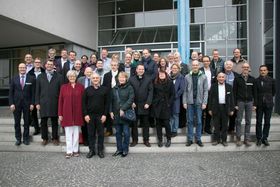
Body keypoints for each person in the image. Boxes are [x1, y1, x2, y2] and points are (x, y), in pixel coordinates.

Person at [35, 60, 63, 146]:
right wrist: (37, 103)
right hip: (43, 102)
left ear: (54, 66)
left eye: (51, 64)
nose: (49, 65)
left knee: (54, 121)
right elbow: (37, 91)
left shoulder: (59, 76)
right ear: (45, 65)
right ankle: (45, 138)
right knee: (43, 121)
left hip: (55, 102)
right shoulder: (40, 76)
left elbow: (61, 91)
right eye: (48, 64)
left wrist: (61, 103)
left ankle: (55, 138)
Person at [83, 73, 110, 159]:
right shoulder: (87, 90)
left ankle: (100, 150)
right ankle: (91, 150)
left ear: (99, 79)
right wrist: (85, 114)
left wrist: (105, 115)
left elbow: (107, 104)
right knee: (91, 134)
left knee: (101, 134)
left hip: (100, 116)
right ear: (91, 79)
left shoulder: (104, 90)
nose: (95, 79)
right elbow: (83, 104)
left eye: (97, 78)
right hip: (90, 116)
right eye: (93, 78)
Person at [58, 70, 84, 158]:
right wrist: (60, 114)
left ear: (76, 77)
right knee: (68, 133)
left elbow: (83, 101)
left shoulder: (81, 87)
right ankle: (69, 151)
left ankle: (75, 150)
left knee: (76, 133)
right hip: (66, 113)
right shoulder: (63, 87)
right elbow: (60, 101)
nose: (72, 78)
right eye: (70, 76)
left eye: (73, 76)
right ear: (68, 78)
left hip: (78, 113)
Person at [9, 63, 35, 146]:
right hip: (16, 104)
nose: (22, 69)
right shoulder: (14, 78)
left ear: (26, 68)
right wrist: (11, 103)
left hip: (27, 104)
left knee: (27, 122)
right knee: (17, 122)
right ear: (18, 68)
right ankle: (18, 139)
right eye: (21, 67)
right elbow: (11, 93)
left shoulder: (31, 78)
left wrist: (32, 103)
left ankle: (26, 139)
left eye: (24, 67)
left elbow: (33, 93)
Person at [183, 60, 208, 147]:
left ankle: (198, 139)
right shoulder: (187, 77)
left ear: (198, 66)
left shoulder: (203, 77)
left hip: (199, 102)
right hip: (190, 102)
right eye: (193, 65)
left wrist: (204, 102)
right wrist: (184, 102)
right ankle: (190, 139)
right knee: (189, 121)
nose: (195, 67)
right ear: (191, 66)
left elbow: (205, 91)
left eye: (196, 65)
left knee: (199, 121)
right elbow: (185, 91)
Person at [129, 64, 153, 147]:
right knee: (134, 124)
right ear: (136, 70)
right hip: (134, 105)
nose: (141, 70)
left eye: (142, 69)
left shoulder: (148, 79)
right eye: (139, 69)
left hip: (145, 105)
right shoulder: (131, 79)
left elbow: (151, 92)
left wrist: (148, 103)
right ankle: (135, 140)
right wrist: (131, 102)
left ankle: (146, 140)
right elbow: (130, 92)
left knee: (146, 124)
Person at [110, 72, 134, 157]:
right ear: (118, 78)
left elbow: (130, 100)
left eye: (123, 77)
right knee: (118, 133)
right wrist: (110, 111)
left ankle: (125, 149)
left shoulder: (130, 88)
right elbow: (111, 101)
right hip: (116, 114)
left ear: (126, 78)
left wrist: (123, 109)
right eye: (120, 77)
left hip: (125, 114)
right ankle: (119, 149)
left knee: (126, 133)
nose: (122, 79)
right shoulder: (114, 88)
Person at [233, 63, 257, 146]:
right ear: (242, 68)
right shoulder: (237, 79)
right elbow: (234, 92)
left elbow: (255, 93)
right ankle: (238, 138)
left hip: (249, 102)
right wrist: (235, 104)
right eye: (244, 67)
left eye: (247, 67)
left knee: (248, 121)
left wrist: (255, 104)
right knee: (238, 120)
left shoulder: (252, 79)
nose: (245, 68)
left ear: (249, 68)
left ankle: (246, 139)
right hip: (240, 102)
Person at [208, 72, 234, 146]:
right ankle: (216, 140)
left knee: (225, 125)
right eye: (220, 77)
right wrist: (209, 109)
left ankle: (224, 140)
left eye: (223, 77)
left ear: (225, 78)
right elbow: (210, 98)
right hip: (216, 107)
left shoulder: (229, 87)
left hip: (225, 108)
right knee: (216, 125)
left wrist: (232, 109)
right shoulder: (213, 86)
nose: (221, 78)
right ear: (217, 78)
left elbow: (232, 98)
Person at [152, 71, 174, 147]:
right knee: (158, 124)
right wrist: (154, 102)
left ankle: (169, 139)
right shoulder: (155, 83)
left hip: (166, 106)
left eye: (163, 74)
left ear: (165, 75)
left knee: (167, 124)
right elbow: (153, 94)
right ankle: (160, 140)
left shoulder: (170, 83)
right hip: (157, 106)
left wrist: (169, 103)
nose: (161, 75)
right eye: (160, 74)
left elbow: (172, 94)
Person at [255, 65, 276, 146]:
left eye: (264, 70)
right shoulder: (256, 81)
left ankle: (265, 138)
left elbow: (274, 92)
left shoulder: (272, 80)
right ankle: (259, 138)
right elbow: (255, 93)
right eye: (261, 70)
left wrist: (268, 98)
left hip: (268, 104)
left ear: (267, 71)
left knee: (267, 122)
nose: (263, 72)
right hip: (259, 104)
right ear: (259, 71)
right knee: (259, 121)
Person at [103, 60, 121, 137]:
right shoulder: (106, 75)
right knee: (108, 112)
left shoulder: (121, 74)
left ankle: (120, 130)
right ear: (110, 66)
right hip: (109, 96)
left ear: (118, 66)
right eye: (112, 65)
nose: (114, 66)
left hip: (118, 96)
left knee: (118, 112)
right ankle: (109, 130)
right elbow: (104, 86)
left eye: (115, 65)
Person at [27, 57, 45, 135]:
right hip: (33, 95)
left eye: (39, 62)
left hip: (43, 95)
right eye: (36, 62)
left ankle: (43, 128)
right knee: (34, 114)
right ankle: (37, 128)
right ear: (34, 63)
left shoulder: (44, 72)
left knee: (43, 113)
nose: (37, 63)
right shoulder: (30, 73)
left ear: (40, 63)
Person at [77, 67, 93, 146]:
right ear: (84, 72)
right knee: (84, 123)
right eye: (87, 72)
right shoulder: (80, 80)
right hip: (82, 103)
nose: (89, 73)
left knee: (91, 123)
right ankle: (85, 140)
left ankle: (91, 139)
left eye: (90, 72)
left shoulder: (95, 78)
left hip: (92, 103)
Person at [200, 56, 216, 134]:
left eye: (207, 61)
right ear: (202, 62)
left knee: (209, 112)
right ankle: (200, 129)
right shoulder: (200, 71)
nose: (206, 62)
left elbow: (215, 82)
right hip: (201, 93)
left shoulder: (213, 71)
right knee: (201, 112)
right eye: (204, 61)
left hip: (211, 94)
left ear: (209, 62)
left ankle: (207, 128)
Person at [223, 60, 240, 134]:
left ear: (232, 66)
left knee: (233, 114)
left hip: (233, 97)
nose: (228, 66)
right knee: (223, 114)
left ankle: (231, 129)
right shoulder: (220, 74)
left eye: (230, 65)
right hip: (222, 97)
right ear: (225, 66)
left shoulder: (236, 75)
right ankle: (222, 129)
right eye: (227, 65)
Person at [169, 63, 185, 137]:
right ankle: (170, 130)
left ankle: (174, 130)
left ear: (178, 69)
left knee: (175, 115)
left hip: (176, 99)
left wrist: (174, 96)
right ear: (171, 69)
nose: (174, 69)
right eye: (173, 68)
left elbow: (181, 89)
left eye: (176, 68)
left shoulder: (181, 77)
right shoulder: (169, 77)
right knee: (170, 115)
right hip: (169, 99)